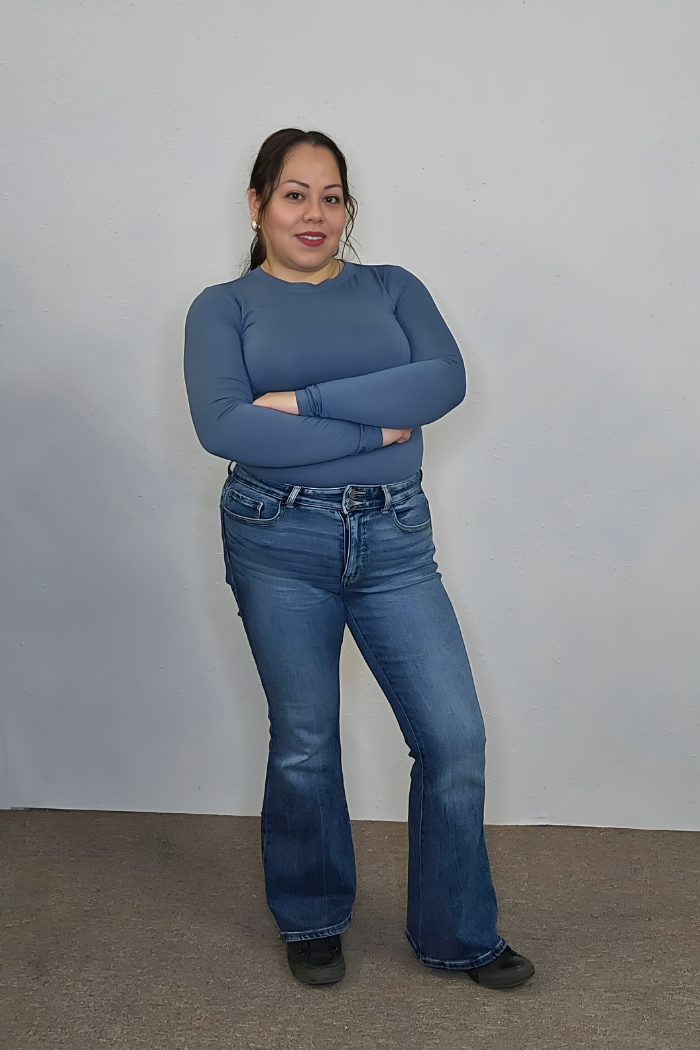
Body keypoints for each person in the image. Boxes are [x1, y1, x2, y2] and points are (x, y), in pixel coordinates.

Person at [184, 128, 534, 990]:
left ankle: (458, 933)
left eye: (331, 196)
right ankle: (311, 915)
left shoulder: (393, 287)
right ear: (259, 203)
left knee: (454, 739)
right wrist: (373, 425)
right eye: (295, 193)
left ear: (348, 210)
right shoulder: (221, 307)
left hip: (395, 538)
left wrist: (301, 403)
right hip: (277, 535)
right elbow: (225, 428)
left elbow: (441, 382)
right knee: (306, 739)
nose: (315, 213)